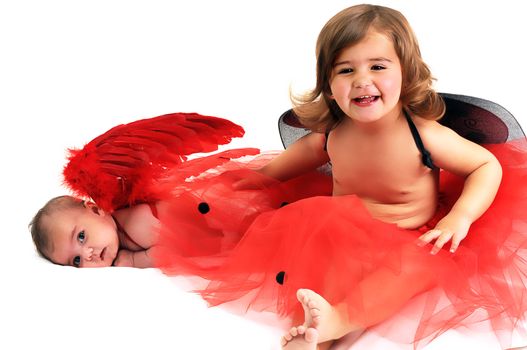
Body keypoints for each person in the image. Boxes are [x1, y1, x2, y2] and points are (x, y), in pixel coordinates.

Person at [153, 4, 527, 350]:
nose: (362, 80)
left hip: (411, 235)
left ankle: (339, 320)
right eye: (346, 70)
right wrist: (264, 177)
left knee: (413, 270)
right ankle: (315, 332)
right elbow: (305, 154)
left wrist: (459, 216)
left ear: (406, 73)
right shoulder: (335, 131)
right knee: (317, 260)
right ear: (329, 85)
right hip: (342, 232)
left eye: (378, 67)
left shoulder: (423, 134)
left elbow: (485, 165)